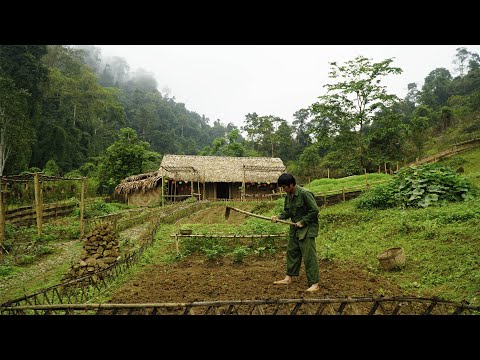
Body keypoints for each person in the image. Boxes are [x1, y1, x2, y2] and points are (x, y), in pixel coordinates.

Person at [271, 173, 320, 292]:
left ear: (292, 184)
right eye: (282, 187)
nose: (284, 190)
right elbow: (288, 212)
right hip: (294, 228)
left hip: (307, 229)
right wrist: (279, 217)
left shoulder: (305, 194)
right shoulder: (288, 196)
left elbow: (315, 211)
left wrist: (303, 222)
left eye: (285, 187)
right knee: (292, 252)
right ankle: (289, 278)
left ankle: (314, 283)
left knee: (309, 256)